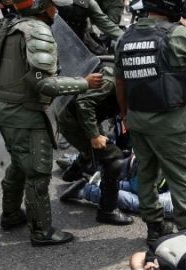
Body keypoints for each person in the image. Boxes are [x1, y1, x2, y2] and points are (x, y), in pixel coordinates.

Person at [0, 0, 103, 246]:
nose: (56, 10)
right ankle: (41, 231)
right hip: (25, 114)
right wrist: (84, 83)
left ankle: (10, 215)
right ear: (40, 5)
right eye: (52, 5)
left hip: (4, 110)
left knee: (19, 164)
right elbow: (45, 84)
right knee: (38, 173)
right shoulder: (36, 30)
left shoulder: (8, 26)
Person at [114, 0, 186, 246]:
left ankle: (154, 227)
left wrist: (125, 115)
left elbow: (119, 82)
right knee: (182, 181)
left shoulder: (126, 37)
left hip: (138, 119)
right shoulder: (178, 34)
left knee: (146, 176)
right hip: (171, 124)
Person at [55, 65, 133, 225]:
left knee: (100, 151)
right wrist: (94, 135)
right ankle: (107, 211)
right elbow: (84, 102)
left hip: (87, 118)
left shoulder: (133, 78)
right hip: (72, 119)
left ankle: (74, 172)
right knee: (114, 159)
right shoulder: (112, 81)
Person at [56, 0, 124, 43]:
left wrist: (129, 40)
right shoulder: (47, 3)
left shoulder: (88, 3)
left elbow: (109, 26)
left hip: (77, 44)